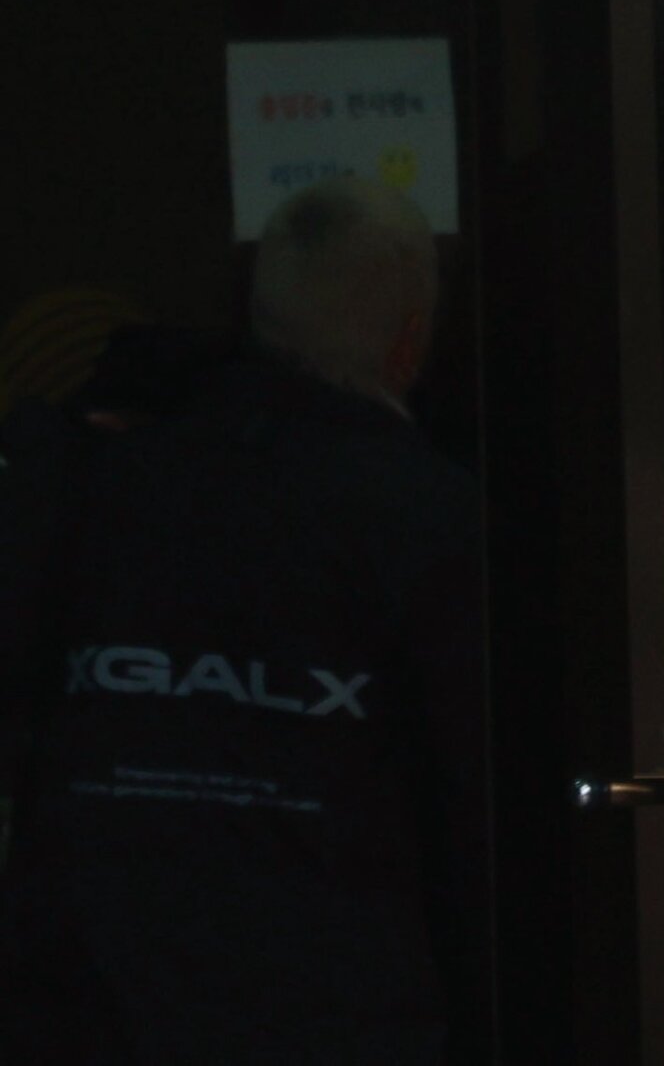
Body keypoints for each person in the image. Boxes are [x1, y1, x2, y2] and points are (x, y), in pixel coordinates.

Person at [0, 178, 488, 1064]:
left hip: (93, 996)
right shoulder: (432, 518)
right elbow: (467, 800)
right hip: (329, 1008)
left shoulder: (106, 479)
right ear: (408, 341)